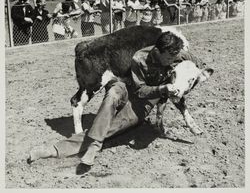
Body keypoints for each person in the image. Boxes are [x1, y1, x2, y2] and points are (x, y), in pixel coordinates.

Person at [27, 30, 203, 174]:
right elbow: (141, 90)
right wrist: (163, 89)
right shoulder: (140, 58)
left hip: (145, 103)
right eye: (169, 59)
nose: (172, 62)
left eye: (175, 58)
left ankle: (56, 150)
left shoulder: (180, 55)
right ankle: (94, 145)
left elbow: (198, 70)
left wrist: (188, 81)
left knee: (115, 125)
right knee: (112, 94)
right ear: (157, 51)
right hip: (135, 90)